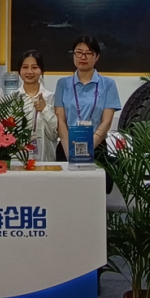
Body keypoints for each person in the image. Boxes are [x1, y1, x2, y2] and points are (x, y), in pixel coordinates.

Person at [54, 36, 122, 194]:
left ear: (96, 57)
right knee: (66, 194)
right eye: (78, 52)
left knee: (94, 194)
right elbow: (60, 119)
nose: (83, 57)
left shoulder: (108, 84)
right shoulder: (63, 84)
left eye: (88, 53)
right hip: (67, 146)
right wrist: (70, 151)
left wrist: (88, 147)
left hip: (96, 148)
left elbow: (106, 121)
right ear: (73, 55)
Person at [17, 50, 57, 162]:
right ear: (19, 71)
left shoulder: (51, 98)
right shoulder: (12, 99)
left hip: (45, 162)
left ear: (41, 71)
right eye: (25, 67)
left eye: (34, 67)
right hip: (18, 161)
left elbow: (54, 134)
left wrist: (45, 109)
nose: (29, 71)